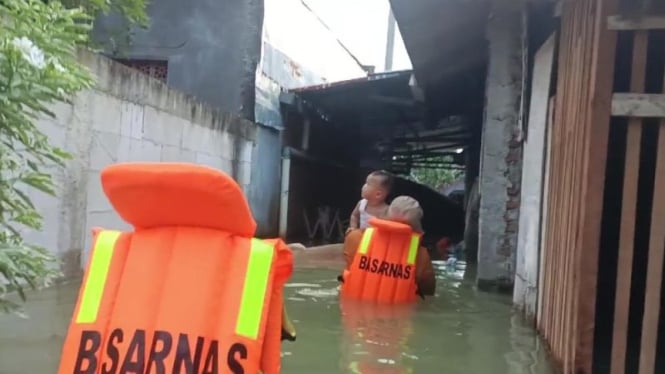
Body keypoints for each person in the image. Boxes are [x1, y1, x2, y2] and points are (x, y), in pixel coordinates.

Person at [343, 195, 436, 296]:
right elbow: (428, 293)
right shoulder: (421, 257)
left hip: (353, 307)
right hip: (398, 310)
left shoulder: (355, 238)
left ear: (384, 218)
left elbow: (349, 271)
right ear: (415, 229)